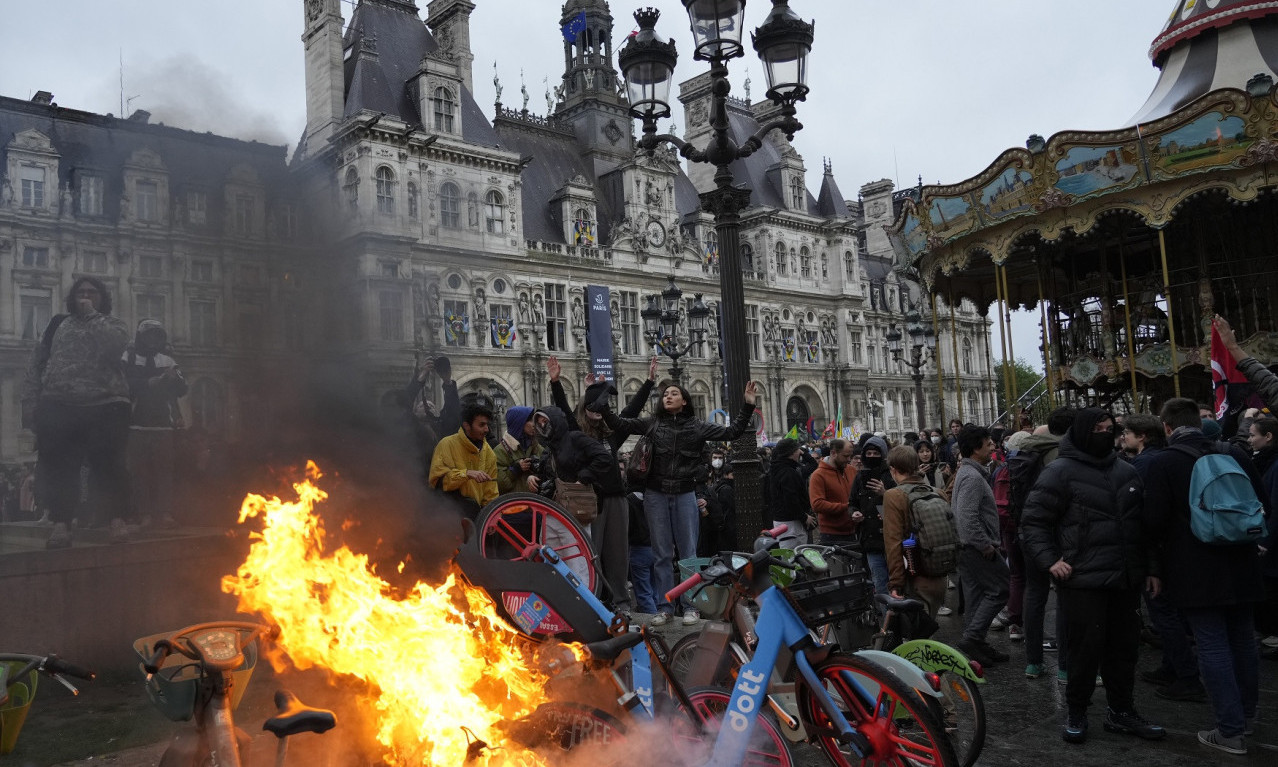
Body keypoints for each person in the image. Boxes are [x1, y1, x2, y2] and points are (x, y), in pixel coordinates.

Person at [1021, 408, 1165, 745]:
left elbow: (1143, 527)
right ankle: (1076, 711)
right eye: (1098, 429)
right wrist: (1050, 560)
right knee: (1084, 650)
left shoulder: (1126, 471)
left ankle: (1122, 711)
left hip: (1125, 577)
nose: (1105, 434)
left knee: (1124, 649)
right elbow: (1034, 521)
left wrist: (1152, 568)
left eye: (1109, 428)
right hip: (1083, 578)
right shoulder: (1060, 472)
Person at [1142, 397, 1266, 755]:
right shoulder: (1234, 452)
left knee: (1211, 643)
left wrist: (1154, 567)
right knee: (1244, 641)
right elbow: (1262, 503)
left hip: (1194, 565)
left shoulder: (1164, 462)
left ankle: (1229, 730)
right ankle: (1247, 716)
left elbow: (1152, 522)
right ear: (1199, 422)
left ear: (1167, 427)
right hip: (1242, 560)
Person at [596, 381, 759, 626]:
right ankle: (666, 608)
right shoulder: (653, 423)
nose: (668, 397)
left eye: (674, 393)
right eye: (665, 394)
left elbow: (732, 432)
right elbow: (620, 423)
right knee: (661, 555)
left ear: (684, 401)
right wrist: (602, 402)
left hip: (684, 494)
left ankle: (691, 607)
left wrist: (748, 404)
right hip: (655, 495)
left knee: (688, 555)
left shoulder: (697, 426)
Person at [20, 277, 131, 549]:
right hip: (60, 403)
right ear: (72, 297)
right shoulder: (58, 324)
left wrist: (91, 315)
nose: (86, 296)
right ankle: (61, 524)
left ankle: (117, 520)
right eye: (81, 292)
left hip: (104, 402)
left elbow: (115, 346)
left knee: (109, 465)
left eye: (92, 293)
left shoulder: (113, 324)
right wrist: (31, 403)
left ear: (102, 298)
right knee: (60, 468)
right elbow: (36, 362)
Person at [531, 405, 631, 613]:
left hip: (574, 511)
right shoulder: (549, 448)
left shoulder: (575, 438)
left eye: (545, 421)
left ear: (555, 421)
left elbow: (603, 458)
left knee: (578, 560)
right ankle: (555, 608)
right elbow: (547, 473)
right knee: (549, 558)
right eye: (539, 422)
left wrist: (583, 478)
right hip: (552, 510)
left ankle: (583, 609)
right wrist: (534, 477)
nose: (542, 426)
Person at [1015, 408, 1077, 680]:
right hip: (1056, 531)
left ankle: (1033, 662)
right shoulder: (1062, 454)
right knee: (1065, 597)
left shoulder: (1025, 449)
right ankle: (1065, 666)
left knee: (1034, 594)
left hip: (1027, 529)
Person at [950, 424, 1010, 667]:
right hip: (976, 548)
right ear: (976, 449)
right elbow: (966, 517)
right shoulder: (972, 477)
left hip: (969, 547)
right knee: (1000, 589)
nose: (993, 447)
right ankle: (973, 637)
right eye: (988, 444)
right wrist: (984, 544)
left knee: (975, 596)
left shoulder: (970, 473)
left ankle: (976, 644)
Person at [122, 319, 187, 535]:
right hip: (136, 424)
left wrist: (174, 379)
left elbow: (182, 389)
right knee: (139, 472)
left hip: (162, 426)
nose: (153, 340)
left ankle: (165, 513)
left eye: (157, 336)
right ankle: (144, 514)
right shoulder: (129, 357)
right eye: (149, 335)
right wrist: (147, 383)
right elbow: (122, 383)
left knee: (164, 472)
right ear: (141, 337)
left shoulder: (167, 360)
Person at [883, 445, 951, 617]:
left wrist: (896, 583)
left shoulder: (894, 495)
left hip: (915, 577)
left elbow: (893, 543)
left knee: (915, 631)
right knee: (930, 624)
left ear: (893, 469)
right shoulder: (938, 492)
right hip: (940, 575)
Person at [428, 400, 498, 516]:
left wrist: (490, 516)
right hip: (447, 515)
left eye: (487, 425)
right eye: (481, 425)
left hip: (476, 516)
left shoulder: (489, 453)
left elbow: (491, 492)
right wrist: (466, 474)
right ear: (466, 425)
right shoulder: (446, 444)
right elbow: (438, 482)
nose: (487, 429)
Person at [850, 435, 894, 594]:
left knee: (896, 582)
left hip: (891, 540)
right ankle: (883, 609)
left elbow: (901, 501)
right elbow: (852, 502)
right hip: (870, 539)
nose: (872, 456)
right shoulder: (859, 476)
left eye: (876, 453)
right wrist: (854, 513)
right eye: (868, 453)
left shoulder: (891, 474)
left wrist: (885, 493)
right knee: (879, 583)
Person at [810, 439, 858, 547]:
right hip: (831, 534)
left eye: (850, 456)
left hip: (853, 531)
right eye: (845, 456)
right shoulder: (818, 475)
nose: (849, 460)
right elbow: (817, 504)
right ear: (833, 453)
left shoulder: (851, 470)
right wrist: (847, 507)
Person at [767, 438, 812, 549]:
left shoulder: (776, 468)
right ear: (791, 453)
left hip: (783, 520)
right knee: (795, 554)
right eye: (797, 450)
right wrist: (804, 517)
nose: (799, 452)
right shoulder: (788, 472)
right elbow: (791, 498)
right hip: (791, 523)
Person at [493, 406, 545, 494]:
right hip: (514, 501)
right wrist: (515, 470)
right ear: (519, 423)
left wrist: (535, 476)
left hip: (534, 501)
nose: (534, 424)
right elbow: (499, 486)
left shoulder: (536, 446)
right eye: (530, 420)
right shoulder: (500, 451)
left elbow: (549, 474)